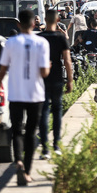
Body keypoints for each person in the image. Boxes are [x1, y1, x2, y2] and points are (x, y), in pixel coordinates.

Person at [0, 9, 51, 186]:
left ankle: (18, 160)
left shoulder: (11, 43)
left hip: (16, 93)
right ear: (34, 23)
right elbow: (43, 73)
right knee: (31, 133)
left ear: (18, 24)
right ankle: (27, 171)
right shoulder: (42, 43)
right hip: (35, 95)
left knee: (17, 130)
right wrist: (48, 66)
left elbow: (2, 69)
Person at [37, 10, 73, 160]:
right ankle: (56, 145)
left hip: (41, 80)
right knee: (57, 111)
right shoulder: (61, 38)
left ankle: (45, 149)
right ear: (58, 19)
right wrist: (70, 80)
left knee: (43, 112)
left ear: (45, 19)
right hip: (58, 79)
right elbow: (67, 61)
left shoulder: (38, 38)